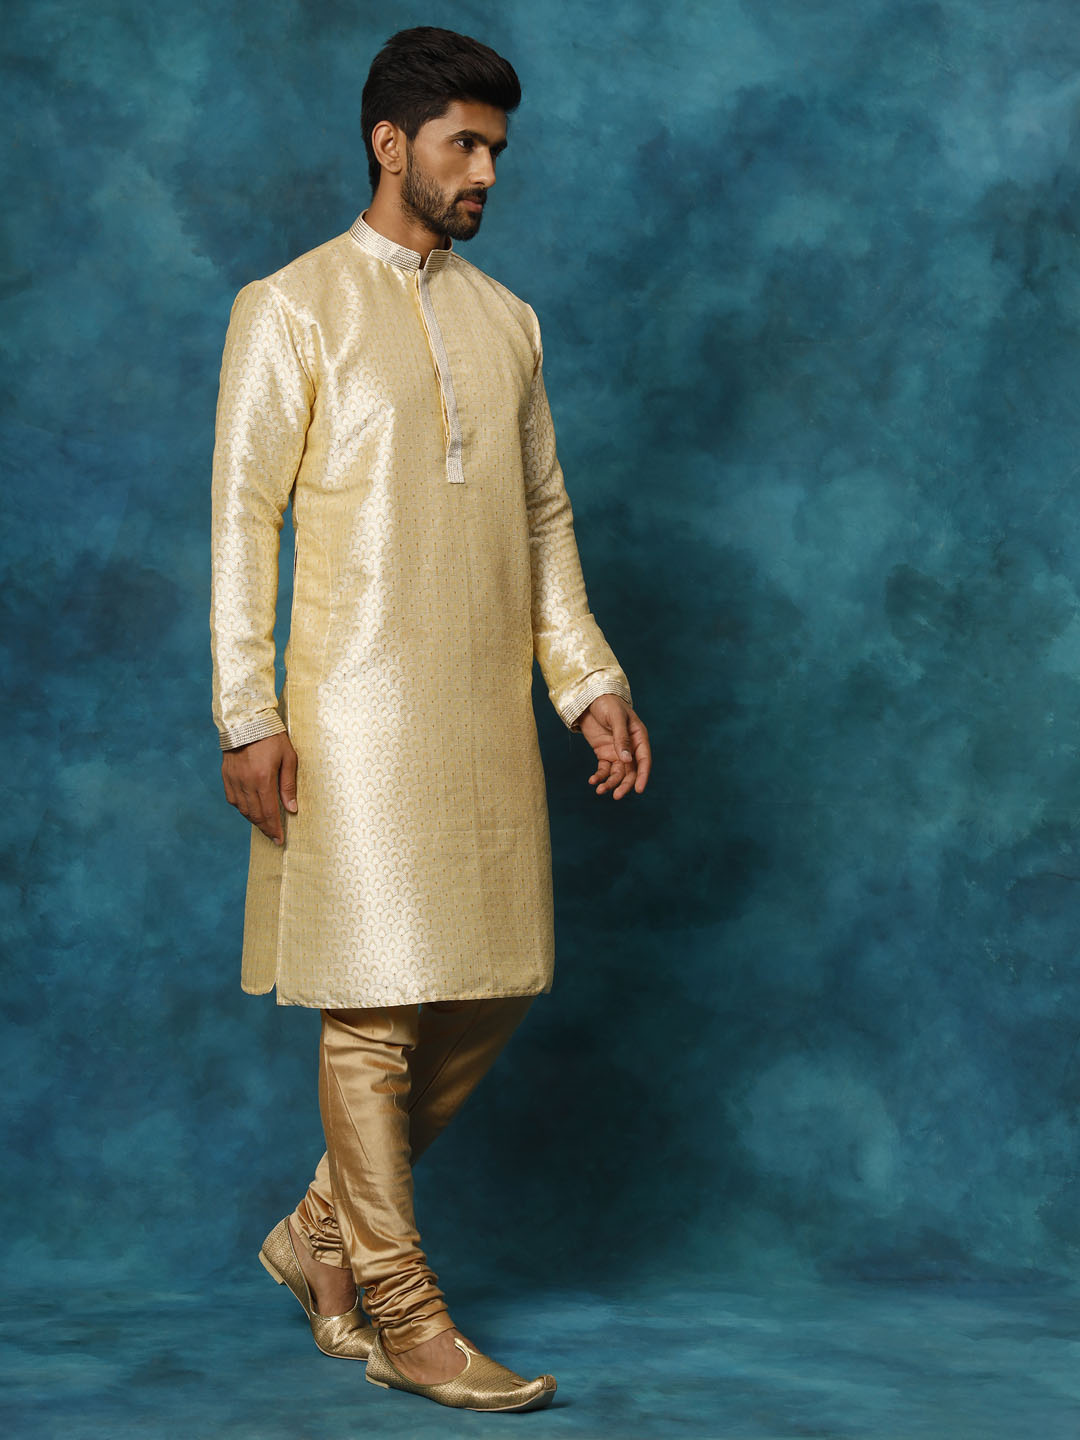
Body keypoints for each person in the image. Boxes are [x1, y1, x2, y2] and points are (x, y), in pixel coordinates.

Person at [209, 25, 651, 1414]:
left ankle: (317, 1234)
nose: (487, 173)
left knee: (496, 979)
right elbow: (242, 524)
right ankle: (404, 1314)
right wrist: (246, 710)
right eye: (465, 145)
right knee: (372, 1016)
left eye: (498, 151)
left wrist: (589, 681)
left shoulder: (508, 322)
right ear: (389, 142)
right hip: (351, 715)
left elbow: (543, 522)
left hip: (479, 706)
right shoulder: (290, 308)